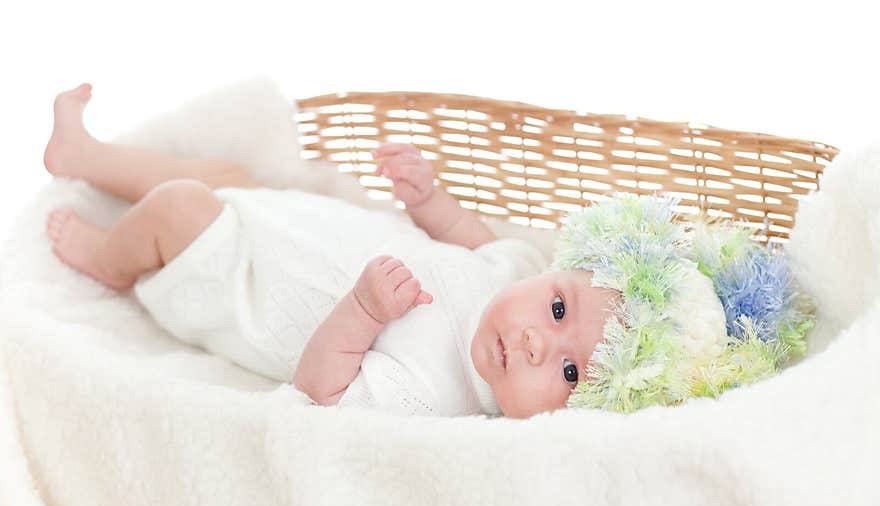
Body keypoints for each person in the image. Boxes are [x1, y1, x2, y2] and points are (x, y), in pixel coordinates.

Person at [43, 83, 621, 418]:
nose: (536, 340)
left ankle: (108, 258)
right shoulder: (514, 269)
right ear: (557, 272)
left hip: (241, 283)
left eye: (570, 372)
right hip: (287, 220)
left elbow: (319, 392)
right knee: (226, 176)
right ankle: (83, 157)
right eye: (559, 309)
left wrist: (365, 313)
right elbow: (465, 234)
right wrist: (429, 198)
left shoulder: (435, 397)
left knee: (180, 209)